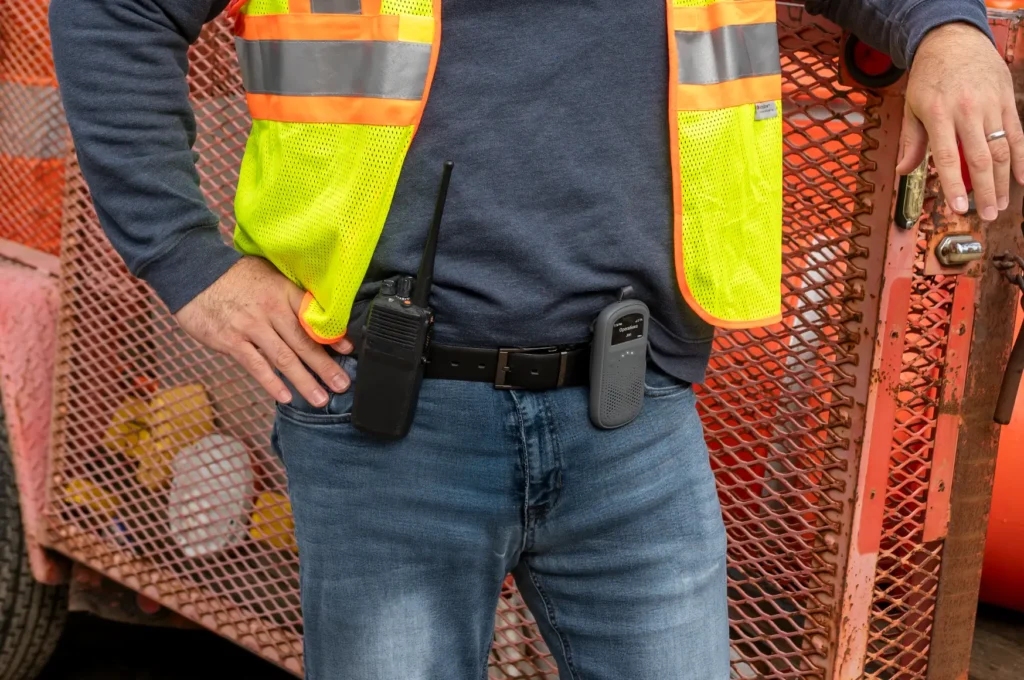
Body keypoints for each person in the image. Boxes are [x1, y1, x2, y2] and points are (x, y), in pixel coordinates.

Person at [48, 1, 1022, 678]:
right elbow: (115, 11)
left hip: (633, 418)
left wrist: (945, 27)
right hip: (388, 417)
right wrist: (187, 260)